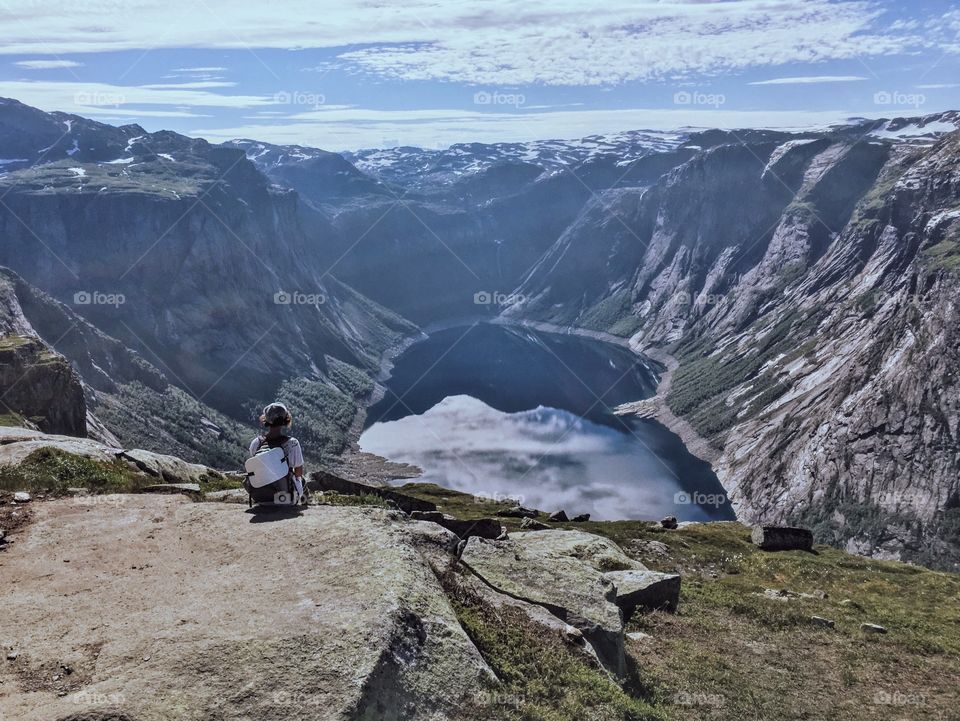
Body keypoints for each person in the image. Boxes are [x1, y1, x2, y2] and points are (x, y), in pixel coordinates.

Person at [249, 402, 306, 504]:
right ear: (286, 419)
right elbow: (299, 472)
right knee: (302, 480)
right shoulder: (292, 443)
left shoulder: (256, 443)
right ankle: (302, 501)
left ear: (265, 419)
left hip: (261, 497)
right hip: (284, 498)